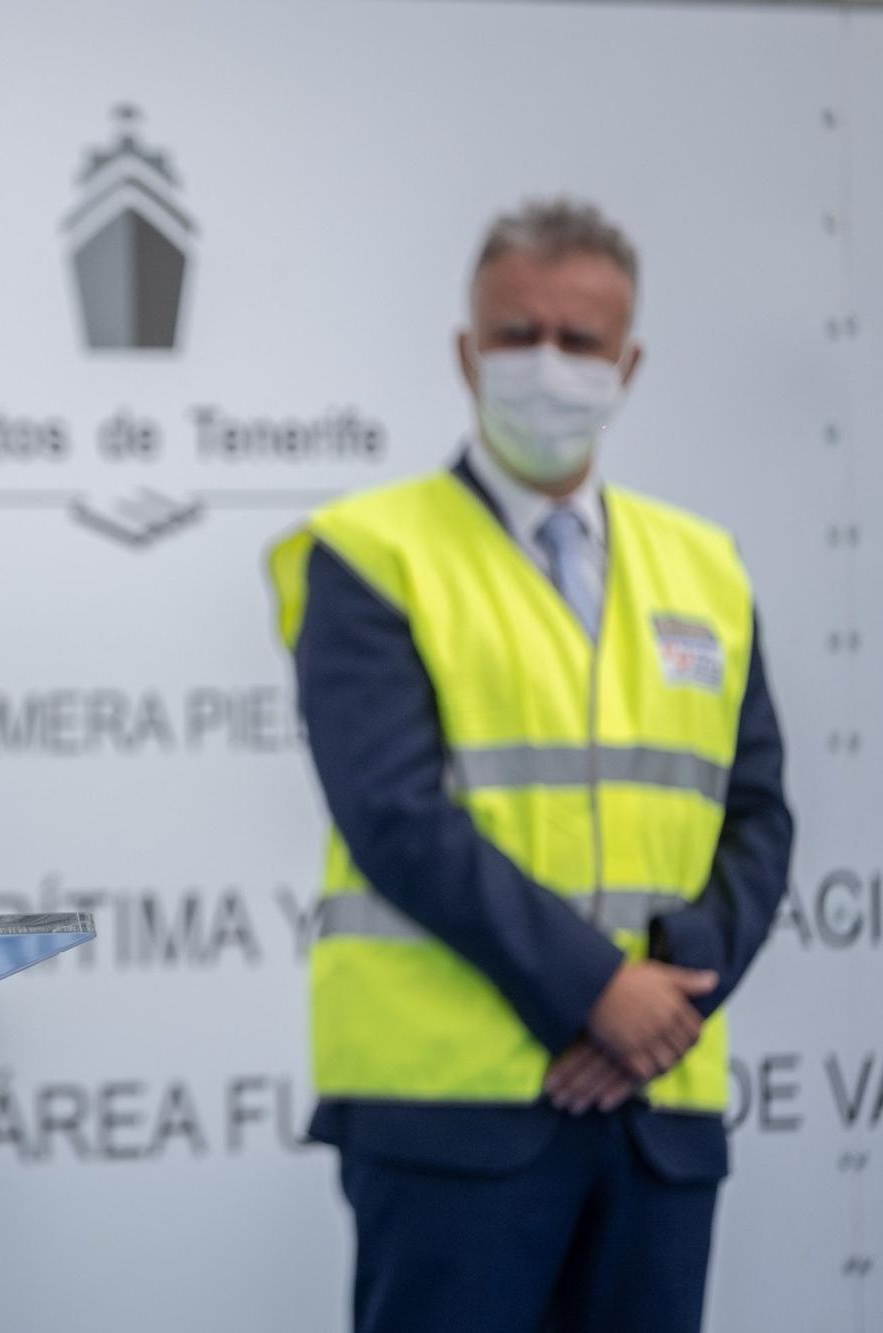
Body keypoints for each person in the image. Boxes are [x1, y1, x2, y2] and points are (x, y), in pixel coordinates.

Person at [268, 199, 791, 1331]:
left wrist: (664, 995)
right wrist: (594, 990)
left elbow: (754, 816)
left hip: (658, 1112)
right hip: (449, 1114)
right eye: (514, 335)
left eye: (577, 341)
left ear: (628, 362)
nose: (544, 365)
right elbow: (394, 814)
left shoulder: (704, 564)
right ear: (464, 350)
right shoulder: (368, 551)